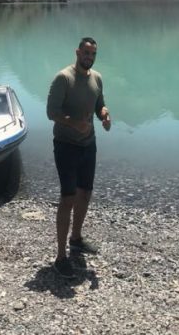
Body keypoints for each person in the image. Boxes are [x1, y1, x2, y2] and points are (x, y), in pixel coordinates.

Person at [46, 37, 111, 277]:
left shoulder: (97, 78)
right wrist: (73, 123)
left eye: (93, 54)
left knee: (85, 193)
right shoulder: (63, 78)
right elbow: (51, 112)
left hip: (88, 145)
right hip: (66, 145)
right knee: (68, 198)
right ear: (77, 52)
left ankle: (76, 239)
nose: (89, 57)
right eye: (86, 53)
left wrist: (104, 115)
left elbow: (99, 105)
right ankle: (60, 257)